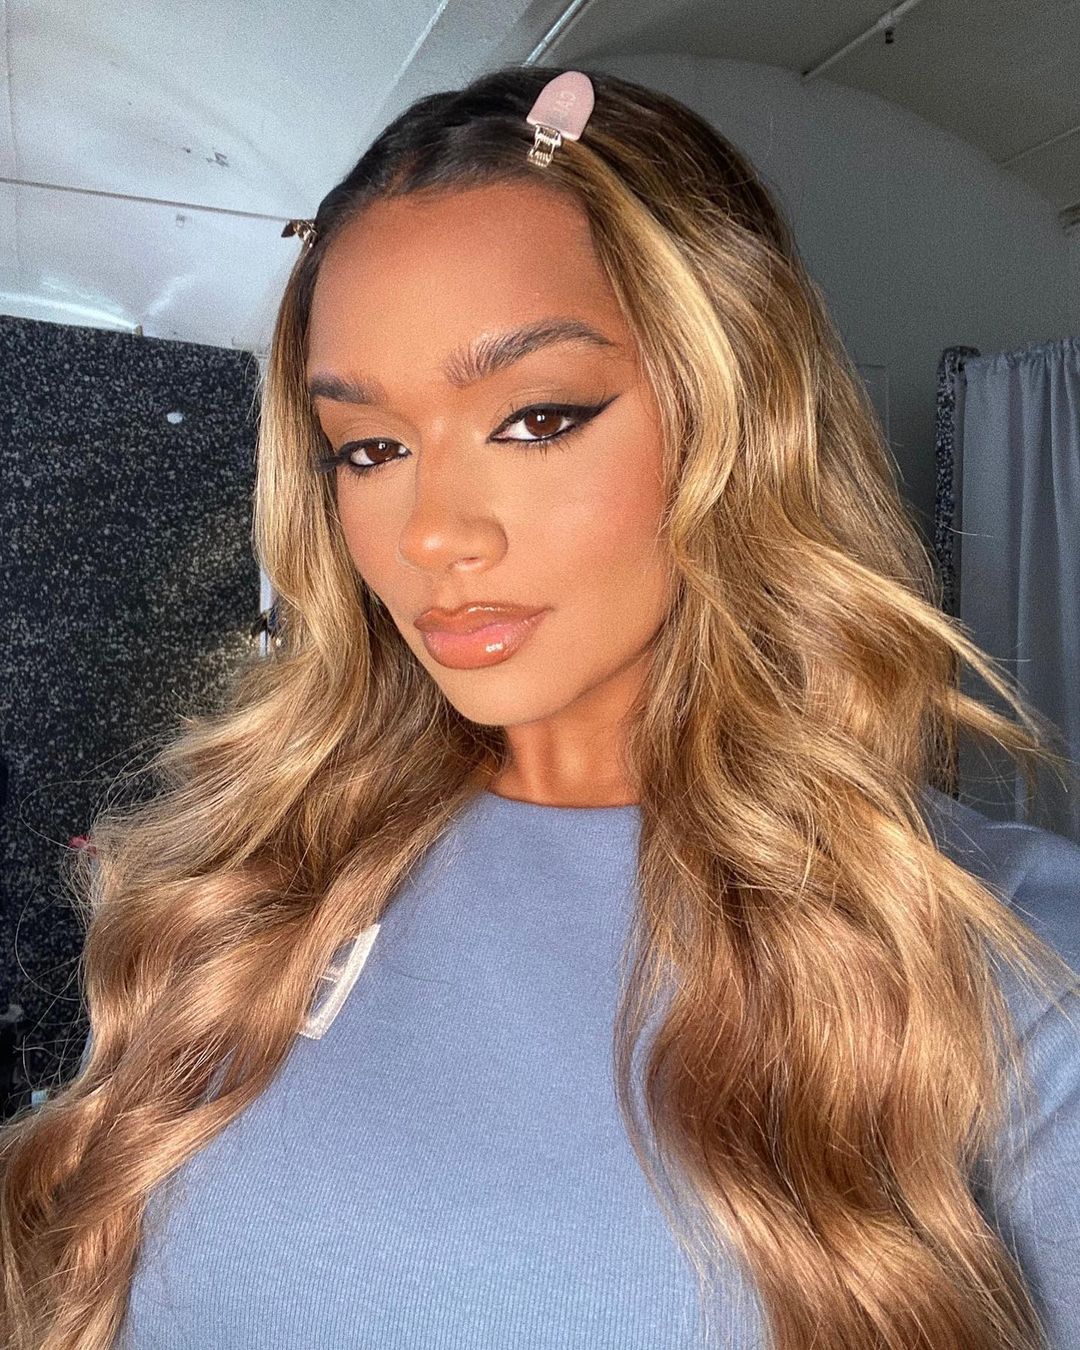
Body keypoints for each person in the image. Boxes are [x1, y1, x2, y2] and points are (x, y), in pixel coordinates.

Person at [1, 63, 1078, 1350]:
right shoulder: (254, 885)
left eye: (535, 419)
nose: (434, 534)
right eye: (371, 449)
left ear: (735, 414)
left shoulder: (1012, 966)